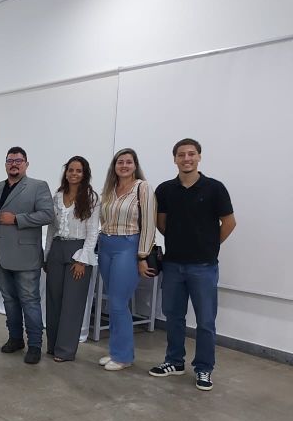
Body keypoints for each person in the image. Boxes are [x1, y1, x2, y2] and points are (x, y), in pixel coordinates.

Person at [150, 138, 236, 391]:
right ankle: (174, 361)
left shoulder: (215, 188)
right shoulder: (165, 190)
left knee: (206, 321)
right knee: (173, 316)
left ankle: (204, 368)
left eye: (191, 154)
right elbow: (161, 224)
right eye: (181, 155)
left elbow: (229, 223)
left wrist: (209, 245)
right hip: (173, 265)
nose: (186, 159)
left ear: (199, 156)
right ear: (174, 159)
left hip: (204, 266)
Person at [0, 147, 54, 363]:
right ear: (5, 164)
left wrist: (17, 219)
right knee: (9, 300)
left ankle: (35, 344)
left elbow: (47, 215)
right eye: (10, 160)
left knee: (30, 301)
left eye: (18, 160)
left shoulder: (38, 186)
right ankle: (15, 338)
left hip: (26, 256)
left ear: (26, 163)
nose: (14, 164)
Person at [97, 147, 157, 371]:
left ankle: (123, 357)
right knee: (113, 302)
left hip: (128, 246)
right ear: (114, 166)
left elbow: (149, 224)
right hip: (106, 244)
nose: (124, 165)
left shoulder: (143, 188)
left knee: (118, 302)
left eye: (128, 162)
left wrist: (142, 256)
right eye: (120, 162)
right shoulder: (109, 190)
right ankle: (117, 350)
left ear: (135, 165)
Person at [44, 156, 100, 362]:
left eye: (78, 170)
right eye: (70, 170)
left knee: (72, 303)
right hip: (57, 249)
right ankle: (53, 346)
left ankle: (65, 350)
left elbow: (93, 232)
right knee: (53, 300)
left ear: (85, 174)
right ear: (66, 172)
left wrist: (82, 260)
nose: (74, 174)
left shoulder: (91, 198)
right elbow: (51, 229)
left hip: (78, 250)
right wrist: (47, 255)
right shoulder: (57, 196)